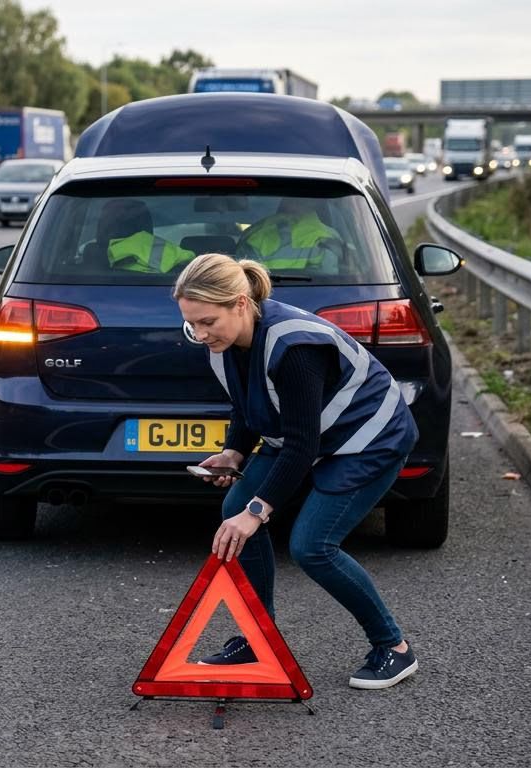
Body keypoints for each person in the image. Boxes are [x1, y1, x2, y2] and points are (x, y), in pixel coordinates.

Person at [173, 252, 420, 690]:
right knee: (235, 507)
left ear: (241, 305)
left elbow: (303, 444)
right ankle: (257, 639)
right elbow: (248, 401)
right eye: (192, 322)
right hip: (304, 437)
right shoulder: (228, 341)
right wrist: (233, 452)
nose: (200, 332)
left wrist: (257, 510)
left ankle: (394, 649)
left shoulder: (295, 348)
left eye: (208, 321)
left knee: (312, 545)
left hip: (366, 438)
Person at [235, 197, 344, 274]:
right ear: (314, 206)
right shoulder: (330, 236)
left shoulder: (255, 234)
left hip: (261, 298)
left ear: (284, 204)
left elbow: (243, 279)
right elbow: (333, 276)